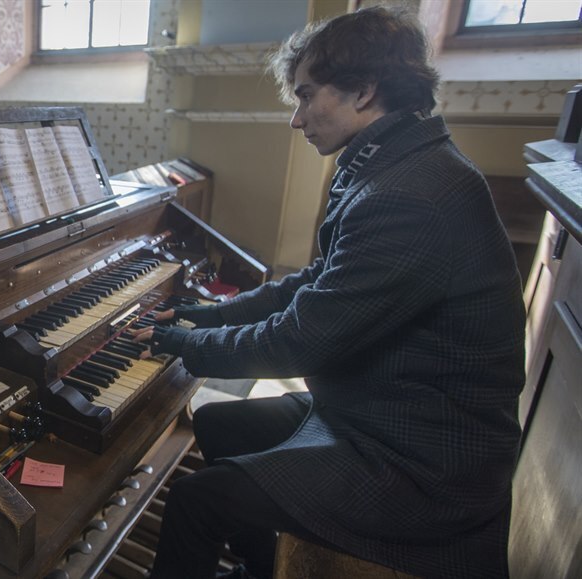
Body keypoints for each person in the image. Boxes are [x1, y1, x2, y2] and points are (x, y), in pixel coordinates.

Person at [134, 7, 525, 579]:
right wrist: (206, 312)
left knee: (199, 501)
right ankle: (263, 565)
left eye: (306, 96)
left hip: (422, 460)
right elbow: (312, 284)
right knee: (219, 425)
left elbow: (300, 341)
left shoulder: (410, 194)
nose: (298, 119)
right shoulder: (391, 162)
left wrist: (184, 342)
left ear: (363, 91)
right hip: (383, 406)